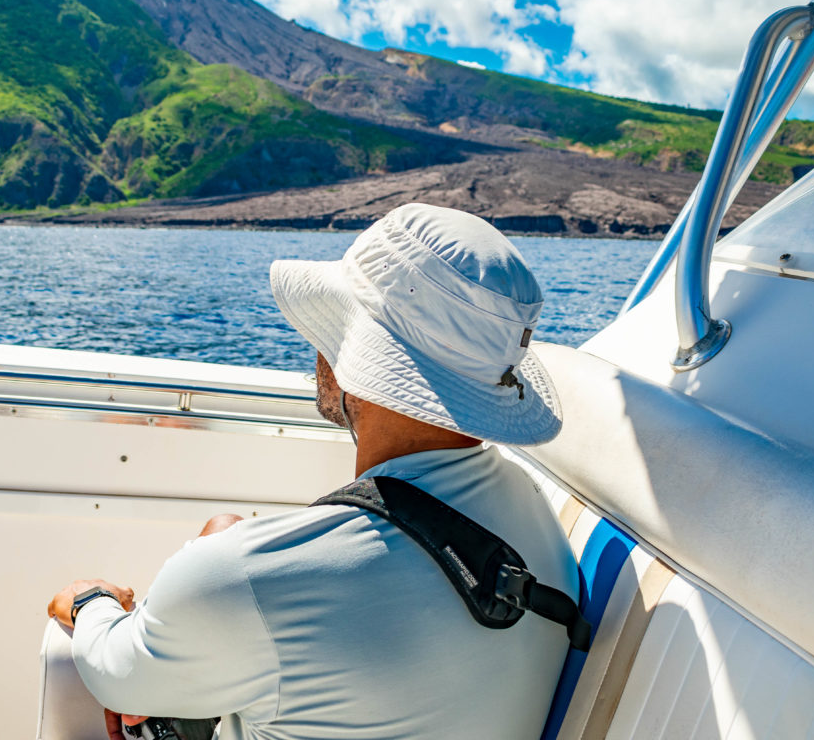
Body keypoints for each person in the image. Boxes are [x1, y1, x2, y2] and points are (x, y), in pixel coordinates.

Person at [49, 203, 578, 740]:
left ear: (358, 361)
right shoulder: (530, 507)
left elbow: (116, 677)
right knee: (223, 530)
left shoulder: (243, 578)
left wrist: (90, 600)